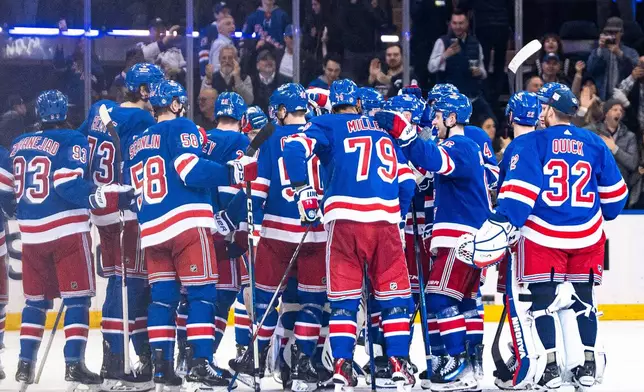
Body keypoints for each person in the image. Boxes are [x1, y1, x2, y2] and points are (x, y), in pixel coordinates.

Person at [469, 87, 627, 390]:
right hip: (588, 236)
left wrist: (496, 225)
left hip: (543, 236)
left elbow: (518, 200)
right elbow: (616, 200)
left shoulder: (532, 142)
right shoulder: (593, 141)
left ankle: (551, 367)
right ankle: (588, 367)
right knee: (585, 302)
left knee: (542, 302)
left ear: (549, 111)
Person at [283, 79, 417, 390]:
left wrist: (303, 190)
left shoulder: (325, 122)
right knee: (394, 299)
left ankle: (342, 366)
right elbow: (407, 182)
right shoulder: (381, 126)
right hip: (385, 220)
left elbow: (293, 148)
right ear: (357, 103)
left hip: (344, 220)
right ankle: (397, 363)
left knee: (344, 303)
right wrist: (398, 215)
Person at [129, 79, 253, 390]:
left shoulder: (135, 142)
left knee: (162, 301)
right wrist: (231, 171)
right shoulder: (181, 126)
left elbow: (131, 190)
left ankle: (161, 367)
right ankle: (200, 362)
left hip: (152, 229)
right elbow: (190, 169)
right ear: (173, 103)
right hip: (186, 223)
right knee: (202, 294)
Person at [13, 90, 132, 391]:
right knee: (77, 299)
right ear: (66, 110)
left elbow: (7, 192)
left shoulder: (18, 144)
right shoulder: (72, 140)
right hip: (65, 231)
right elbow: (67, 183)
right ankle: (74, 364)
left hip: (29, 233)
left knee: (35, 302)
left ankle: (24, 365)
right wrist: (98, 196)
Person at [375, 92, 491, 391]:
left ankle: (457, 364)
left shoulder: (459, 144)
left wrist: (405, 132)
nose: (435, 121)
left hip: (460, 236)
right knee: (465, 301)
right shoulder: (467, 146)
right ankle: (470, 367)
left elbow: (430, 158)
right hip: (468, 236)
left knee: (439, 297)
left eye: (439, 116)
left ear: (452, 118)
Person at [226, 83, 329, 390]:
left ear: (282, 111)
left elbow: (256, 191)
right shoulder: (321, 135)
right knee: (312, 301)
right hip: (317, 233)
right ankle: (302, 364)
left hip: (276, 233)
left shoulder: (270, 138)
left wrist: (236, 222)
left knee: (265, 302)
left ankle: (254, 360)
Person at [77, 63, 164, 391]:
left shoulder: (100, 108)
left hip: (99, 206)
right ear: (144, 91)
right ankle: (114, 364)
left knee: (120, 281)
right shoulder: (143, 118)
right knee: (129, 286)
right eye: (155, 89)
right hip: (125, 209)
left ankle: (126, 358)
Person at [428, 9, 493, 123]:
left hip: (472, 96)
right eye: (455, 23)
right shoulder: (442, 42)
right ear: (450, 24)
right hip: (448, 98)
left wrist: (479, 72)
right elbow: (431, 67)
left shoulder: (475, 43)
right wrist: (445, 55)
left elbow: (483, 71)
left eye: (461, 23)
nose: (457, 26)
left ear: (467, 24)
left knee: (491, 121)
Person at [585, 100, 639, 183]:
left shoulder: (629, 136)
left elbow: (632, 164)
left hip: (619, 184)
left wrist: (615, 149)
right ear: (606, 113)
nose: (619, 112)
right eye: (615, 110)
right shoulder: (593, 131)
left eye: (621, 111)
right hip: (596, 182)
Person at [586, 17, 639, 101]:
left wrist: (620, 54)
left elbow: (635, 73)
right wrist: (600, 49)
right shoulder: (598, 52)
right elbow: (590, 70)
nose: (612, 35)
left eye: (615, 32)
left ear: (621, 33)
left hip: (625, 98)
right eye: (610, 32)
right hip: (602, 98)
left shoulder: (631, 52)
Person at [199, 1, 232, 79]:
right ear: (216, 15)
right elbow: (204, 52)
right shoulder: (209, 30)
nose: (226, 15)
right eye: (223, 12)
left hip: (226, 73)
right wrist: (205, 73)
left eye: (228, 12)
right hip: (213, 74)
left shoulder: (230, 30)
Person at [613, 56, 644, 137]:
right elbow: (617, 94)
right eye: (640, 65)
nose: (641, 68)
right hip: (634, 128)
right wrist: (632, 78)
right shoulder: (632, 80)